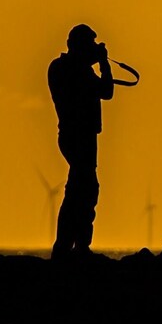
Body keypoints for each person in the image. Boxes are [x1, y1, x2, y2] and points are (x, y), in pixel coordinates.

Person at [48, 23, 114, 261]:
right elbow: (106, 91)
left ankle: (72, 246)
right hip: (77, 136)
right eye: (89, 44)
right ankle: (71, 246)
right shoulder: (67, 69)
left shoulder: (73, 69)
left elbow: (103, 91)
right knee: (82, 190)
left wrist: (98, 62)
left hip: (82, 136)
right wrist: (102, 63)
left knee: (81, 189)